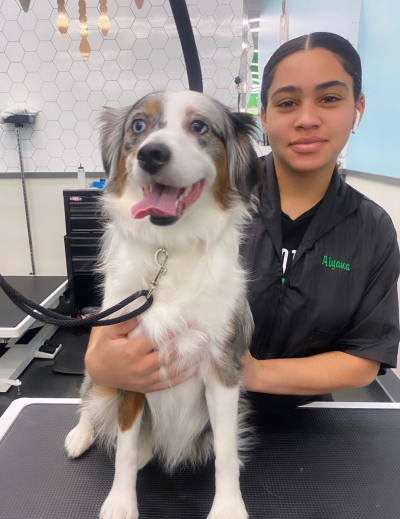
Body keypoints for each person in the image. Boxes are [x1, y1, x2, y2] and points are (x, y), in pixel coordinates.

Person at [85, 32, 400, 415]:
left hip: (303, 422)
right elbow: (130, 285)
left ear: (357, 108)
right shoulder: (204, 202)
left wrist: (252, 373)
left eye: (330, 99)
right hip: (187, 411)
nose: (307, 119)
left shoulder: (372, 229)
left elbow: (365, 358)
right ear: (264, 116)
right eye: (287, 103)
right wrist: (98, 361)